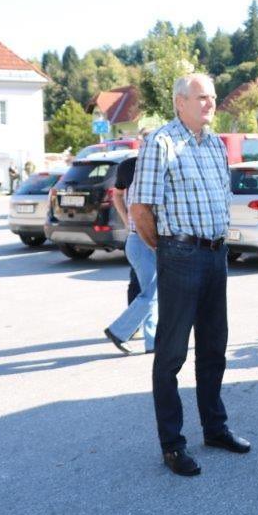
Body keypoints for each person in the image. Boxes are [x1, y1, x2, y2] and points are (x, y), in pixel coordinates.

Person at [131, 73, 249, 478]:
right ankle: (173, 444)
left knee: (214, 348)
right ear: (179, 102)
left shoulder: (216, 145)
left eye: (213, 97)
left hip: (216, 254)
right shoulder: (161, 142)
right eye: (201, 97)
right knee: (172, 354)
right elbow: (141, 210)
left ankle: (215, 429)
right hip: (180, 254)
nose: (210, 103)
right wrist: (167, 249)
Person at [104, 128, 158, 355]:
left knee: (152, 291)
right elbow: (116, 194)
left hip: (155, 240)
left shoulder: (161, 166)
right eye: (146, 141)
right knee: (152, 292)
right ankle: (119, 331)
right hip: (140, 241)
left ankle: (153, 342)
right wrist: (126, 219)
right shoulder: (129, 166)